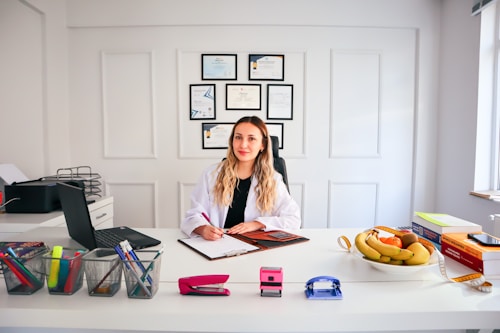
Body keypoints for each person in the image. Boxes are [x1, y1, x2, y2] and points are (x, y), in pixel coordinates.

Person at [181, 116, 301, 240]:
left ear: (262, 145)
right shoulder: (211, 174)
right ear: (232, 141)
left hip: (257, 247)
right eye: (238, 137)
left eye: (251, 139)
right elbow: (193, 215)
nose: (243, 145)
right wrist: (202, 229)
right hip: (218, 245)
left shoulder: (273, 180)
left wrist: (257, 224)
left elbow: (293, 219)